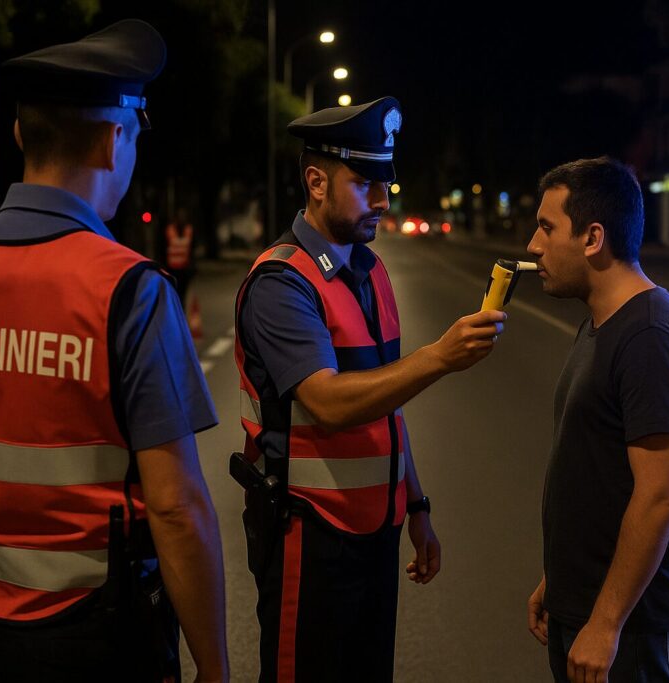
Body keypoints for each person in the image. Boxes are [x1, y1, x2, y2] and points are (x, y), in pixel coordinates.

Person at [0, 20, 228, 682]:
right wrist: (214, 666)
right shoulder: (130, 291)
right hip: (90, 638)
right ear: (116, 141)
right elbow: (175, 506)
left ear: (21, 134)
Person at [233, 96, 506, 682]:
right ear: (316, 182)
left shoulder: (369, 269)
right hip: (309, 534)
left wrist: (416, 504)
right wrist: (438, 357)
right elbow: (329, 403)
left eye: (386, 183)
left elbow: (387, 400)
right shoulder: (283, 282)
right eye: (364, 184)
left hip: (374, 533)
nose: (383, 200)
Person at [524, 157, 669, 683]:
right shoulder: (601, 324)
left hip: (633, 628)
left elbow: (659, 496)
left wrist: (606, 623)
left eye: (546, 227)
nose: (533, 246)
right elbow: (596, 476)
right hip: (584, 606)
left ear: (593, 238)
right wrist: (557, 584)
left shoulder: (651, 335)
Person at [163, 207, 196, 307]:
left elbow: (192, 250)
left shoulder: (189, 230)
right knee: (174, 294)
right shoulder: (169, 230)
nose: (182, 219)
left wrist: (192, 267)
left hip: (184, 269)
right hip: (172, 269)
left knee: (182, 295)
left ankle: (181, 310)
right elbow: (162, 248)